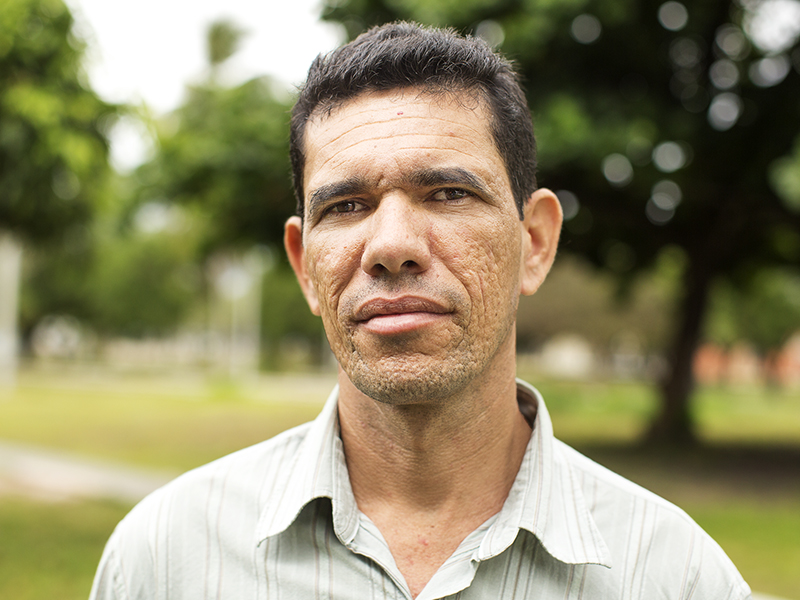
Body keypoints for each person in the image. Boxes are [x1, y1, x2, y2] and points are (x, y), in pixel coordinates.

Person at [90, 22, 751, 600]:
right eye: (346, 205)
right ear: (304, 266)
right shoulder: (164, 560)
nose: (392, 246)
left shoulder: (675, 578)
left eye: (447, 193)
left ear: (536, 242)